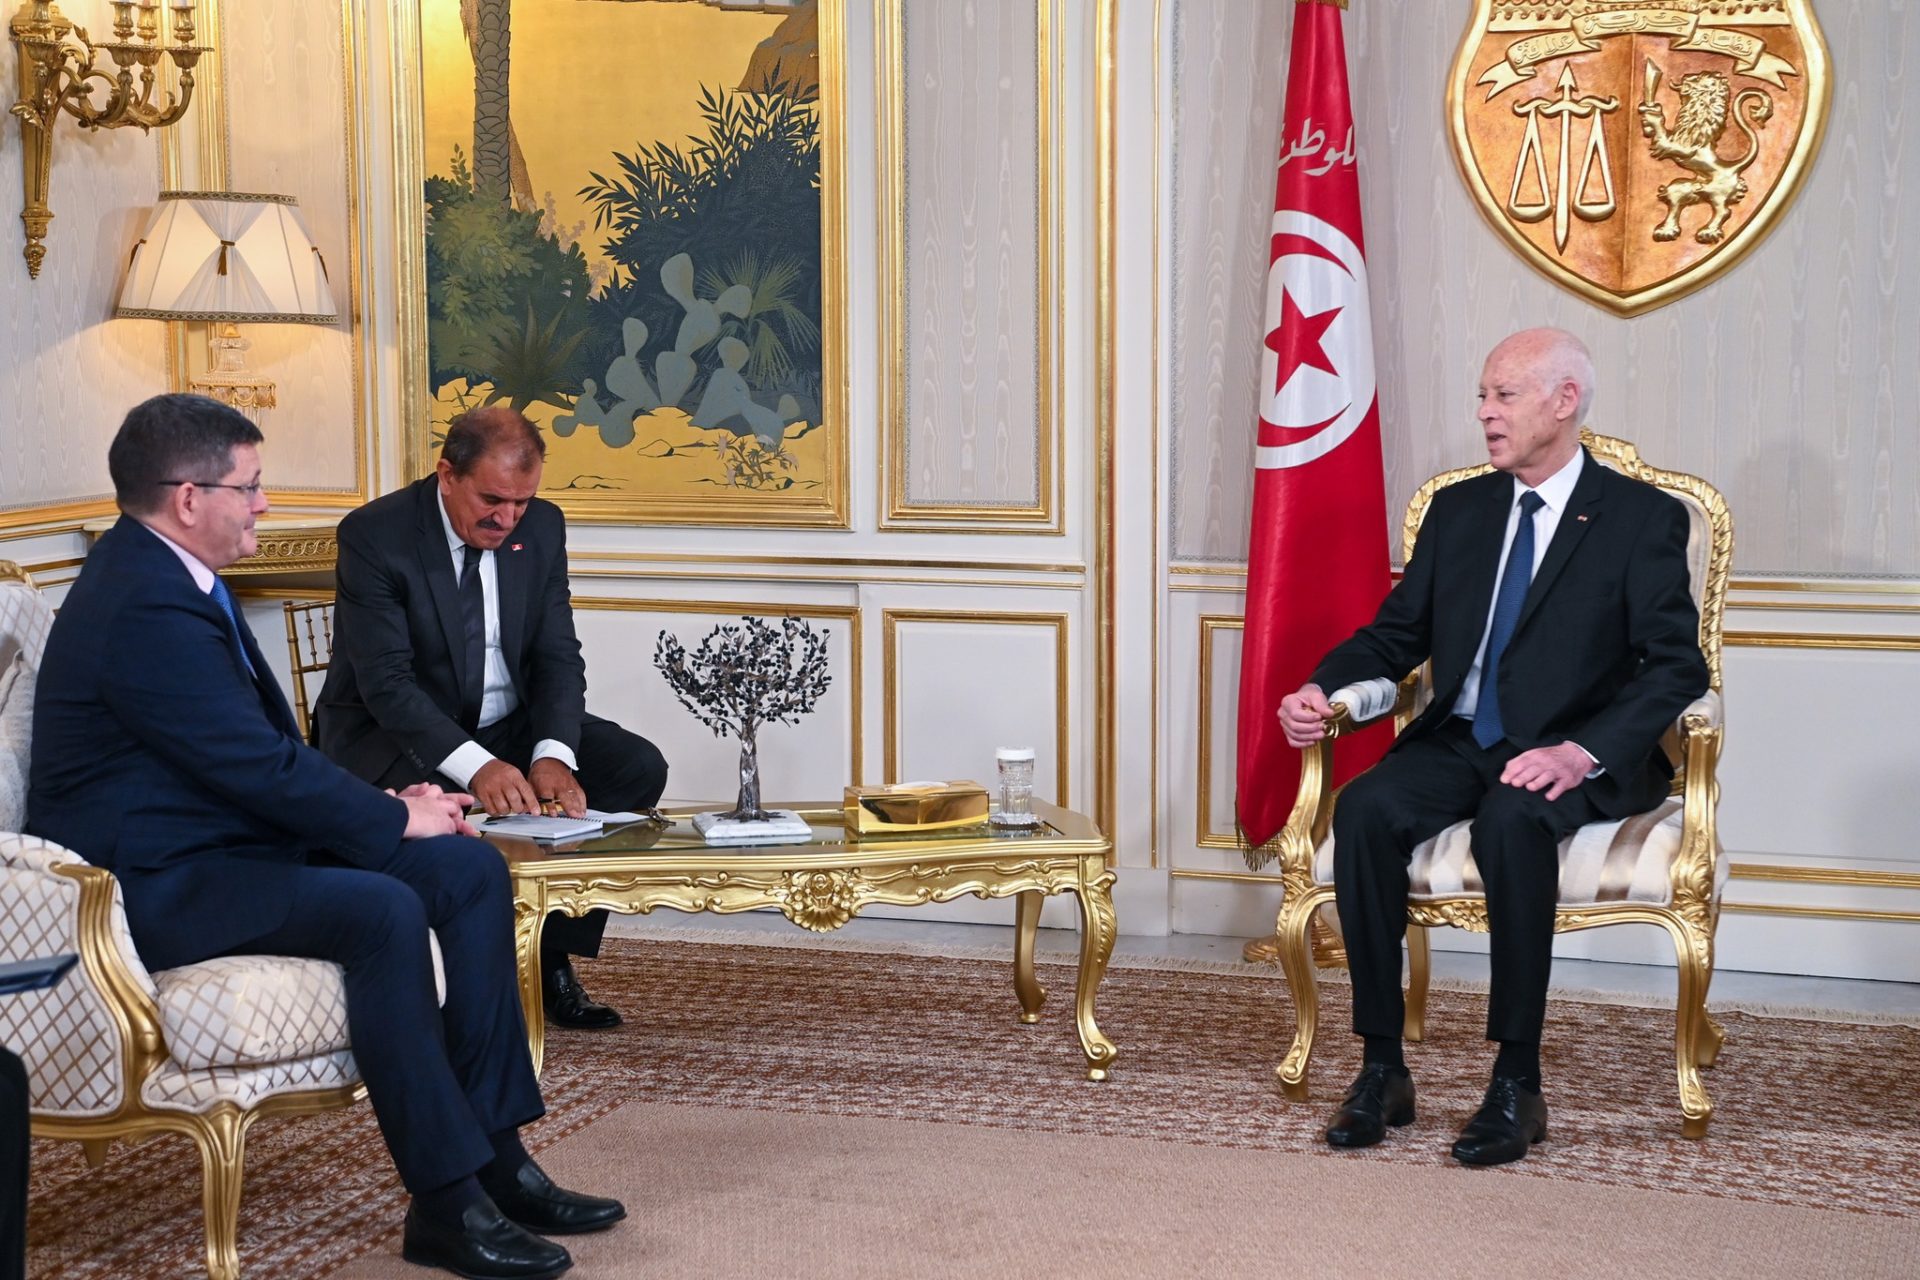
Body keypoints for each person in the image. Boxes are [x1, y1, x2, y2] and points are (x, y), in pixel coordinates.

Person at [27, 394, 624, 1278]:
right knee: (382, 912)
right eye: (250, 486)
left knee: (465, 872)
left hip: (222, 845)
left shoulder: (172, 576)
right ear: (189, 498)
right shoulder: (141, 602)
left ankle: (499, 1159)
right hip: (150, 884)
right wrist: (391, 815)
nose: (264, 504)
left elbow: (253, 758)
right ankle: (447, 1203)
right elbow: (256, 768)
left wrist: (394, 803)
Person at [1278, 329, 1708, 1167]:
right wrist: (1322, 691)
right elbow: (1396, 636)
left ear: (1564, 400)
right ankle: (1382, 1069)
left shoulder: (1638, 518)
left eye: (1504, 395)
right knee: (1365, 808)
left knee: (1512, 819)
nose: (1485, 412)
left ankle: (1517, 1083)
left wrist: (1581, 752)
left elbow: (1676, 666)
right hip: (1463, 738)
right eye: (1483, 395)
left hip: (1571, 750)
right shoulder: (1461, 510)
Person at [314, 406, 668, 1030]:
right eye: (493, 500)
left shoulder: (543, 526)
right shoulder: (376, 534)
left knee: (633, 767)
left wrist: (552, 752)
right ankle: (452, 972)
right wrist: (478, 767)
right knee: (441, 801)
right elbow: (388, 685)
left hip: (507, 720)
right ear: (448, 474)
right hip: (393, 733)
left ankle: (550, 957)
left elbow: (557, 654)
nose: (507, 519)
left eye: (521, 503)